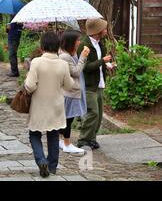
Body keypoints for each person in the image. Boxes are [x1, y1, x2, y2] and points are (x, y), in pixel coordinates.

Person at [24, 32, 74, 177]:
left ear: (42, 46)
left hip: (39, 105)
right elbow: (69, 85)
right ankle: (52, 166)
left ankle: (41, 160)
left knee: (34, 134)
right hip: (56, 106)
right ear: (58, 46)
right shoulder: (63, 64)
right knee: (53, 135)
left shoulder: (37, 62)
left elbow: (30, 86)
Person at [77, 19, 112, 150]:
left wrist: (107, 65)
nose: (106, 31)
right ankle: (83, 140)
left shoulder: (99, 44)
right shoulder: (84, 45)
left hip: (99, 84)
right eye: (104, 28)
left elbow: (98, 63)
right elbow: (85, 67)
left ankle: (92, 138)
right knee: (93, 113)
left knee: (99, 115)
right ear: (98, 31)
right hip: (89, 85)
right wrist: (102, 61)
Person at [59, 30, 90, 154]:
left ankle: (62, 141)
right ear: (71, 42)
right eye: (77, 40)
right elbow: (76, 71)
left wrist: (79, 56)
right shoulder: (64, 56)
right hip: (69, 92)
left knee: (67, 118)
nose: (79, 42)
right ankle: (67, 143)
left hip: (73, 90)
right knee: (68, 118)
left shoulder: (71, 54)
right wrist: (83, 57)